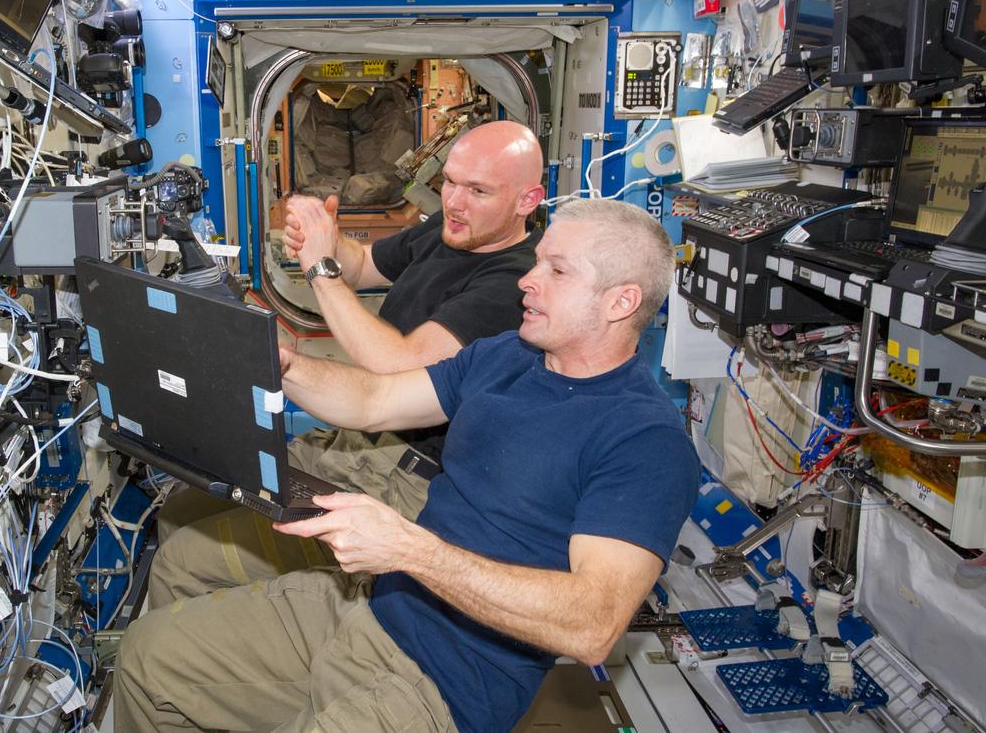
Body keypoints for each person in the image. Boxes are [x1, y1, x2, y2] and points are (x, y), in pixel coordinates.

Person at [116, 198, 702, 733]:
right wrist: (284, 366)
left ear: (620, 301)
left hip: (443, 685)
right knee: (146, 658)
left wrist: (408, 550)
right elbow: (373, 400)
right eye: (537, 262)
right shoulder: (509, 357)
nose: (527, 280)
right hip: (368, 606)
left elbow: (593, 625)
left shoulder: (646, 440)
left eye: (557, 270)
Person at [146, 120, 545, 607]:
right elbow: (361, 264)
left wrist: (319, 268)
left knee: (182, 562)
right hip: (354, 439)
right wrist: (327, 240)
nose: (455, 202)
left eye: (478, 190)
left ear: (528, 200)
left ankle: (192, 653)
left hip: (400, 473)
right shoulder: (452, 232)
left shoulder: (515, 283)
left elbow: (396, 369)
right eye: (451, 182)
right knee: (181, 508)